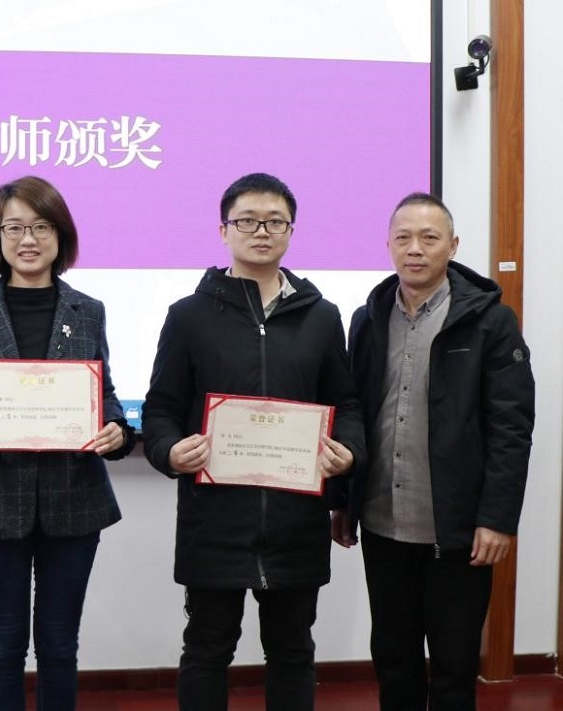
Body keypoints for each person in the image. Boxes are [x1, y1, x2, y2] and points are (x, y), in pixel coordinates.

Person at [141, 172, 366, 711]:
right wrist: (168, 451)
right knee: (206, 650)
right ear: (224, 231)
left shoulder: (321, 317)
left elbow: (347, 404)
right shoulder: (188, 316)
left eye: (274, 221)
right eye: (247, 221)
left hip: (294, 522)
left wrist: (349, 451)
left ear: (291, 230)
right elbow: (161, 408)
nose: (261, 231)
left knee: (292, 653)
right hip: (215, 520)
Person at [0, 175, 135, 711]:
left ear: (60, 235)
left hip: (74, 498)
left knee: (59, 646)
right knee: (2, 646)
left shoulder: (88, 310)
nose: (28, 239)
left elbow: (104, 392)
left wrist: (117, 427)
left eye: (41, 226)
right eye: (15, 228)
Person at [336, 192, 535, 710]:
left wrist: (497, 519)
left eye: (429, 237)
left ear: (453, 245)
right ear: (388, 245)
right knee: (394, 659)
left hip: (459, 529)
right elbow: (352, 413)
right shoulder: (367, 318)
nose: (415, 249)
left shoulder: (490, 322)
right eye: (403, 238)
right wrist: (343, 500)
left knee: (453, 666)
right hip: (382, 521)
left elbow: (512, 428)